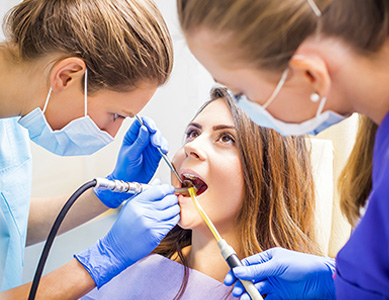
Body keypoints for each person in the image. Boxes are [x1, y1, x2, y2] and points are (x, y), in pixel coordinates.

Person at [176, 0, 389, 299]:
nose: (192, 146)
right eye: (192, 132)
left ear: (309, 73)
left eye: (241, 93)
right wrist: (336, 282)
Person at [0, 0, 180, 298]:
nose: (112, 134)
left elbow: (10, 222)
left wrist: (106, 194)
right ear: (67, 75)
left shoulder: (9, 120)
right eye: (116, 115)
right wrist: (99, 262)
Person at [79, 86, 327, 299]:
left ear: (268, 173)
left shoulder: (282, 291)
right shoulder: (133, 261)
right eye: (193, 133)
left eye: (226, 138)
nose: (191, 146)